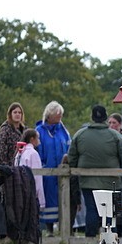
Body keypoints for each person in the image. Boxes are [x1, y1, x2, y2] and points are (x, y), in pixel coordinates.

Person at [66, 105, 122, 237]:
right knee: (110, 211)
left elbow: (72, 157)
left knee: (91, 209)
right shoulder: (115, 136)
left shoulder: (80, 135)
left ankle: (90, 239)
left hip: (87, 181)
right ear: (105, 117)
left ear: (92, 117)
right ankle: (111, 239)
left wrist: (75, 170)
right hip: (112, 182)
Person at [35, 101, 71, 235]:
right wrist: (43, 166)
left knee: (64, 199)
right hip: (47, 172)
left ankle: (64, 230)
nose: (60, 116)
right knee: (49, 200)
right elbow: (38, 150)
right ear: (49, 115)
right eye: (57, 114)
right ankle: (49, 229)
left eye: (61, 114)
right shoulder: (40, 131)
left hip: (62, 171)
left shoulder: (63, 130)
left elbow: (69, 146)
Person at [15, 129, 46, 214]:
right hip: (32, 193)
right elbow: (37, 178)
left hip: (20, 191)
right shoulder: (33, 154)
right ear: (32, 139)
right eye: (37, 138)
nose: (39, 141)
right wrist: (41, 201)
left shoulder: (19, 153)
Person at [0, 102, 28, 166]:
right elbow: (0, 151)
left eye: (19, 112)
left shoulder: (25, 131)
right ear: (10, 114)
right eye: (15, 112)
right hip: (9, 167)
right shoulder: (5, 130)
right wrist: (6, 167)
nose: (17, 114)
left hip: (23, 166)